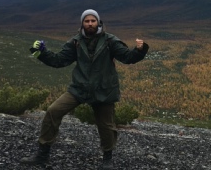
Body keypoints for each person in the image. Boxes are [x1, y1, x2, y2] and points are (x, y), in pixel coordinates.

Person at [20, 9, 149, 169]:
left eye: (92, 21)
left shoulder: (110, 41)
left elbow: (127, 57)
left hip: (103, 90)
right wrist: (41, 53)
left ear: (98, 22)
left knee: (106, 126)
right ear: (82, 23)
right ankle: (42, 154)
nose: (90, 24)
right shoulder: (75, 41)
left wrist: (140, 50)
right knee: (53, 111)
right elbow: (59, 60)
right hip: (79, 89)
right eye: (86, 21)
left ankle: (107, 158)